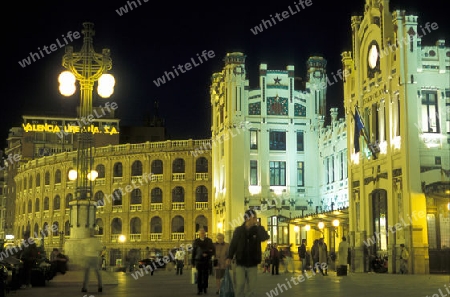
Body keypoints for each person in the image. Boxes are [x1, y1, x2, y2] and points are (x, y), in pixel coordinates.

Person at [226, 209, 270, 297]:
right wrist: (229, 257)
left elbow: (264, 237)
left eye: (256, 218)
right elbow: (233, 244)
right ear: (247, 219)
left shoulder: (257, 230)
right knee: (240, 285)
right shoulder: (239, 230)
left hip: (253, 263)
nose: (256, 220)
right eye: (254, 218)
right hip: (240, 262)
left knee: (251, 287)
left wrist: (260, 227)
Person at [192, 228, 215, 295]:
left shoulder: (209, 241)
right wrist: (193, 262)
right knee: (199, 275)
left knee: (206, 275)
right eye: (201, 233)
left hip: (207, 260)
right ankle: (199, 289)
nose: (202, 234)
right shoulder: (196, 241)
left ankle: (205, 287)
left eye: (203, 233)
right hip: (199, 260)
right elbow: (194, 252)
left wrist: (207, 254)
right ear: (199, 234)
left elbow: (212, 250)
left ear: (205, 234)